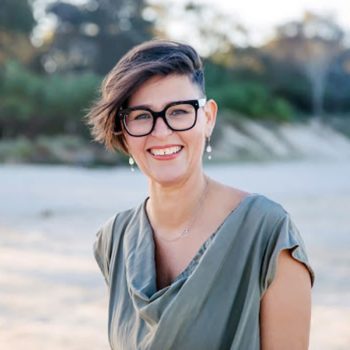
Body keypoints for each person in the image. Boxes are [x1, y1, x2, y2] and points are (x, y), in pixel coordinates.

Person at [85, 39, 315, 350]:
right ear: (122, 131)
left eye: (179, 112)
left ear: (208, 118)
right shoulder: (113, 240)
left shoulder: (267, 233)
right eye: (141, 116)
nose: (161, 131)